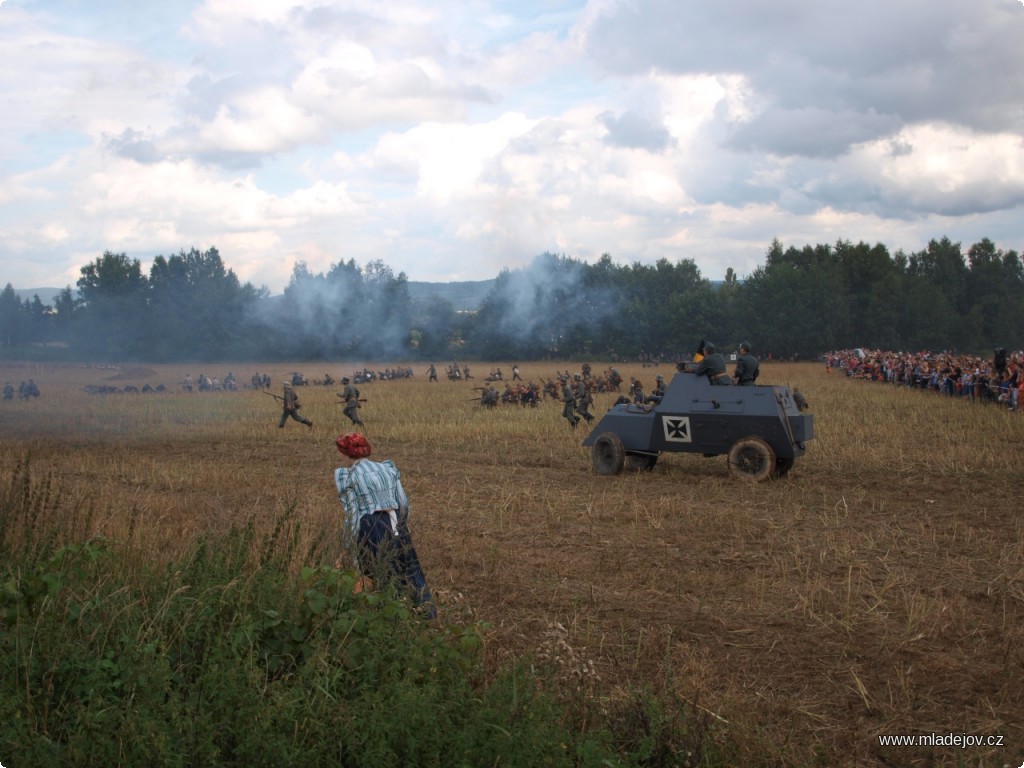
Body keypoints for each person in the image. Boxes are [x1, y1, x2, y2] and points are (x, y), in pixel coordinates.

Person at [333, 432, 436, 619]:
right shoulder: (387, 468)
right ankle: (426, 614)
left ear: (346, 453)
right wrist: (401, 527)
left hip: (370, 526)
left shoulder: (347, 476)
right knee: (409, 569)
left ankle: (385, 618)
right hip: (396, 522)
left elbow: (353, 515)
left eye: (340, 452)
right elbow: (403, 503)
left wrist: (348, 546)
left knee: (374, 573)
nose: (339, 456)